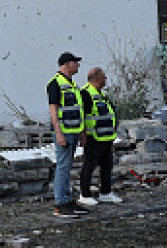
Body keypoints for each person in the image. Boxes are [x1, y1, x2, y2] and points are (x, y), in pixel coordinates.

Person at [47, 52, 88, 218]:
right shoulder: (55, 84)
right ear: (66, 64)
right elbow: (53, 110)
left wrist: (81, 132)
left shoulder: (71, 85)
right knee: (62, 167)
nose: (77, 65)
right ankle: (60, 203)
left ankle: (67, 200)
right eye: (75, 62)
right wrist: (59, 133)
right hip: (64, 132)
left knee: (67, 166)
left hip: (73, 131)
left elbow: (78, 111)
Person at [77, 67, 123, 206]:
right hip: (93, 137)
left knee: (107, 165)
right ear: (98, 79)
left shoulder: (100, 94)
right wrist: (83, 135)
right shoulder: (86, 94)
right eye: (104, 77)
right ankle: (84, 194)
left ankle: (106, 193)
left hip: (106, 138)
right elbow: (82, 115)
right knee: (89, 166)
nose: (106, 80)